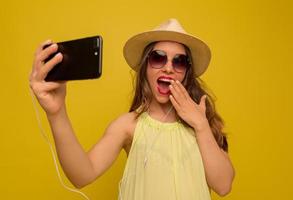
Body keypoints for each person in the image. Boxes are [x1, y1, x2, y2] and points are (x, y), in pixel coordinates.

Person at [29, 18, 235, 200]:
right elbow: (82, 174)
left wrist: (201, 125)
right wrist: (57, 113)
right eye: (158, 57)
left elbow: (223, 185)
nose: (169, 67)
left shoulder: (202, 124)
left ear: (187, 73)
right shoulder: (129, 125)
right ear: (145, 66)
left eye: (179, 61)